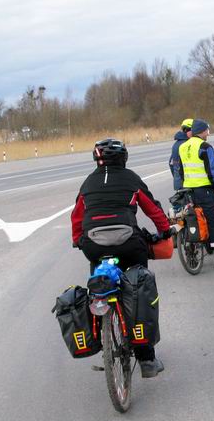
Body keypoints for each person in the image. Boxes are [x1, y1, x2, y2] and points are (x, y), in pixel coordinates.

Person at [71, 138, 171, 378]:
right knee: (138, 288)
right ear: (123, 158)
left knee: (99, 283)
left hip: (94, 245)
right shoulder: (130, 179)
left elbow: (77, 216)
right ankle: (147, 359)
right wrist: (165, 229)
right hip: (129, 244)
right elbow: (153, 209)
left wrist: (78, 239)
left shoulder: (88, 183)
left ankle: (102, 331)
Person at [178, 119, 214, 268]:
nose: (208, 133)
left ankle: (197, 248)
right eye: (207, 130)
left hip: (189, 190)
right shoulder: (205, 146)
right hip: (204, 190)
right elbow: (212, 170)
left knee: (195, 219)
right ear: (202, 131)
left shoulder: (182, 147)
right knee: (212, 221)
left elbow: (181, 171)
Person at [169, 118, 193, 191]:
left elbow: (171, 163)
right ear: (187, 130)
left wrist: (177, 178)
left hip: (179, 185)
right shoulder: (186, 145)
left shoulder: (176, 144)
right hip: (187, 185)